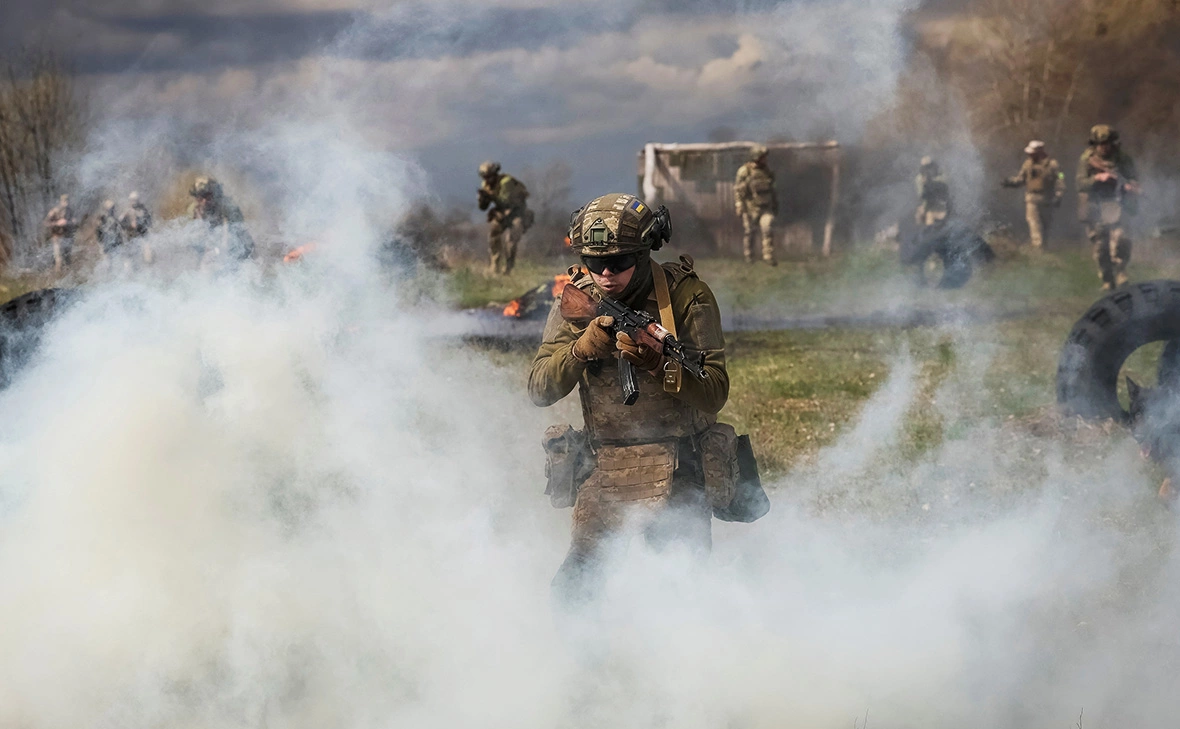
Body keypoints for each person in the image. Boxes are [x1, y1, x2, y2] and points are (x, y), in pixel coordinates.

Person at [528, 192, 731, 606]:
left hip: (681, 467)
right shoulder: (577, 302)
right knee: (574, 591)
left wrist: (662, 367)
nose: (605, 274)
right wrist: (581, 351)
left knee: (681, 593)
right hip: (606, 469)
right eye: (594, 262)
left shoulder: (687, 296)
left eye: (619, 262)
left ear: (643, 253)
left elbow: (714, 392)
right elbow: (538, 388)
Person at [1077, 124, 1140, 290]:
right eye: (1100, 144)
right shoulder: (1087, 159)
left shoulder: (1123, 158)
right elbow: (1080, 183)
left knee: (1121, 239)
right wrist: (1097, 178)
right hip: (1095, 205)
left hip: (1117, 203)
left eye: (1107, 143)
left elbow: (1133, 178)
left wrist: (1130, 186)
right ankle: (1106, 279)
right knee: (1100, 247)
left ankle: (1120, 272)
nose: (1104, 147)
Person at [1002, 140, 1065, 250]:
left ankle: (1043, 251)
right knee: (1034, 225)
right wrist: (1010, 182)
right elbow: (1022, 179)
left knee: (1046, 226)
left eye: (1033, 153)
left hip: (1047, 199)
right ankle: (1038, 251)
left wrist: (1059, 195)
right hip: (1032, 199)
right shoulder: (1028, 164)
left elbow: (1060, 178)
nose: (1030, 155)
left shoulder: (1053, 165)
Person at [477, 160, 531, 275]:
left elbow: (506, 202)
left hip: (517, 212)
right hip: (502, 213)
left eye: (489, 176)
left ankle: (508, 268)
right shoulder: (486, 185)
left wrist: (490, 196)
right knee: (493, 235)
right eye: (484, 177)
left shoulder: (506, 182)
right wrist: (483, 200)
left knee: (511, 240)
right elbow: (484, 207)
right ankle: (494, 265)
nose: (486, 179)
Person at [187, 176, 255, 265]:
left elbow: (235, 236)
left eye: (208, 197)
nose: (204, 201)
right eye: (200, 197)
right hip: (210, 249)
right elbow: (193, 238)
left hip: (237, 249)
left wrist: (218, 252)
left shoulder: (229, 207)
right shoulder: (193, 210)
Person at [733, 144, 777, 265]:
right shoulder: (744, 171)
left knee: (767, 228)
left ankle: (768, 256)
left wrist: (774, 204)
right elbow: (738, 190)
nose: (765, 159)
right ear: (756, 157)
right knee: (750, 232)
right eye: (763, 157)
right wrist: (739, 205)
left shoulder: (767, 171)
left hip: (765, 207)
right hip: (750, 208)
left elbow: (773, 189)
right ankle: (749, 256)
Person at [43, 194, 78, 274]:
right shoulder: (54, 211)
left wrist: (67, 223)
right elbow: (45, 223)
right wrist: (57, 223)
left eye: (67, 201)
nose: (66, 203)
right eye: (64, 201)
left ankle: (68, 276)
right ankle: (57, 276)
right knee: (58, 259)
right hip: (57, 237)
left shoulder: (70, 211)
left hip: (66, 237)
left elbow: (75, 222)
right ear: (60, 202)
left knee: (67, 257)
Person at [915, 156, 952, 227]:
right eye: (925, 168)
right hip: (931, 204)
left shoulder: (941, 178)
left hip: (940, 205)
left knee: (930, 215)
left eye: (929, 167)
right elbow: (921, 195)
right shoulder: (920, 179)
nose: (927, 170)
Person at [120, 191, 154, 265]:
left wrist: (139, 223)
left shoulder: (143, 210)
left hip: (142, 236)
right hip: (131, 237)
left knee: (147, 256)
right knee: (130, 258)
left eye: (135, 200)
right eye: (131, 200)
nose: (133, 202)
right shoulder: (126, 211)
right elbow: (121, 223)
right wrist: (129, 225)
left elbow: (148, 222)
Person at [95, 199, 125, 271]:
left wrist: (121, 242)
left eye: (113, 208)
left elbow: (119, 232)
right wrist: (100, 245)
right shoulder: (102, 219)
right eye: (110, 208)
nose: (112, 210)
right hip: (107, 244)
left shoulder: (115, 219)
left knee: (117, 263)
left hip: (115, 244)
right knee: (107, 264)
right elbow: (99, 232)